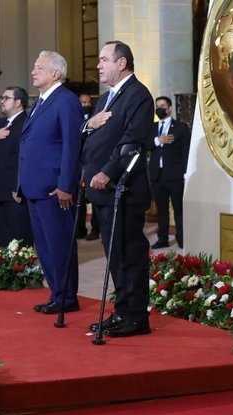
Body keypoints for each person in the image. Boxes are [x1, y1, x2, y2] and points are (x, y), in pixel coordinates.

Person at [81, 40, 154, 337]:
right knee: (116, 256)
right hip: (104, 192)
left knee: (129, 254)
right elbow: (93, 135)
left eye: (104, 59)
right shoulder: (107, 98)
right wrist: (88, 126)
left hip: (123, 190)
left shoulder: (138, 94)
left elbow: (133, 140)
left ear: (121, 63)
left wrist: (108, 172)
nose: (98, 65)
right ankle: (122, 311)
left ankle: (136, 318)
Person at [18, 51, 83, 314]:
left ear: (55, 73)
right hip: (35, 187)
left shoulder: (66, 100)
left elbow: (72, 145)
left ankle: (67, 297)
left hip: (54, 189)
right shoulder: (42, 101)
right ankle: (57, 293)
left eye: (39, 67)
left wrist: (66, 185)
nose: (33, 71)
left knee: (59, 243)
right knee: (45, 246)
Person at [0, 86, 33, 249]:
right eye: (2, 98)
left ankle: (21, 265)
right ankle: (7, 264)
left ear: (18, 102)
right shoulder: (2, 123)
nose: (2, 101)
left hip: (14, 191)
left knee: (18, 235)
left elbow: (23, 158)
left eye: (6, 98)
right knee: (4, 236)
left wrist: (17, 186)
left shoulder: (25, 123)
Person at [149, 95, 190, 249]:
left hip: (175, 176)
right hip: (157, 175)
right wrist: (158, 140)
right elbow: (144, 144)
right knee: (162, 210)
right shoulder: (152, 127)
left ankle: (182, 238)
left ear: (170, 108)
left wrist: (185, 172)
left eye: (162, 106)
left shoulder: (180, 127)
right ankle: (162, 239)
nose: (159, 109)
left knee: (178, 209)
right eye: (157, 106)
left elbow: (186, 151)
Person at [76, 93, 101, 241]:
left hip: (93, 162)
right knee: (79, 197)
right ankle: (80, 229)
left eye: (88, 102)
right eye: (83, 102)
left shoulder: (95, 116)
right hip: (78, 163)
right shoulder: (74, 116)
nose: (86, 105)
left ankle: (96, 229)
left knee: (95, 196)